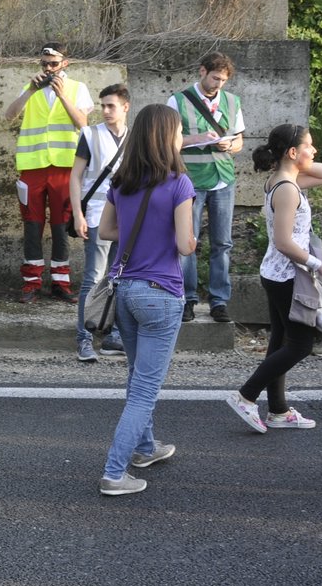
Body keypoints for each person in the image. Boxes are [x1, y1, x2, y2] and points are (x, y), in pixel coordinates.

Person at [96, 105, 197, 496]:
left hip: (125, 291)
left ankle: (145, 447)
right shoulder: (179, 183)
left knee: (137, 377)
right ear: (166, 137)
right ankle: (114, 472)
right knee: (145, 389)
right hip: (161, 295)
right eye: (177, 132)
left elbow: (105, 230)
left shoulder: (122, 181)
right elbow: (184, 246)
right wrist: (187, 236)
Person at [223, 124, 322, 433]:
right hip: (288, 275)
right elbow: (285, 242)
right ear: (292, 152)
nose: (314, 151)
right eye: (309, 146)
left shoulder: (284, 179)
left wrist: (304, 158)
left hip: (276, 273)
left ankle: (278, 410)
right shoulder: (287, 189)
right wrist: (320, 266)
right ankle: (246, 395)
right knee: (300, 345)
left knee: (280, 341)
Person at [4, 44, 92, 303]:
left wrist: (63, 96)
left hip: (64, 166)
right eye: (44, 64)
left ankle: (60, 282)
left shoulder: (77, 88)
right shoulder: (31, 88)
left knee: (61, 224)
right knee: (32, 224)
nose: (48, 69)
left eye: (53, 63)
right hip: (32, 166)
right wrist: (30, 90)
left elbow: (83, 124)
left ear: (65, 63)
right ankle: (31, 282)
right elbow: (10, 116)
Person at [170, 52, 245, 323]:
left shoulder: (233, 101)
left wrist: (230, 145)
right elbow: (170, 142)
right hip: (190, 179)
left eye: (223, 80)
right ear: (202, 71)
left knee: (222, 243)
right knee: (187, 242)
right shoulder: (178, 100)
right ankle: (187, 298)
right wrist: (197, 138)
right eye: (215, 78)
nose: (218, 84)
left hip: (223, 177)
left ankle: (219, 301)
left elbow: (239, 142)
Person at [69, 83, 131, 361]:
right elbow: (75, 177)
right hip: (95, 211)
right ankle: (84, 337)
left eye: (111, 106)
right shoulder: (90, 134)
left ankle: (113, 335)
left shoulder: (135, 138)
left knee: (120, 276)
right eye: (102, 105)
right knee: (93, 278)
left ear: (125, 107)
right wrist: (78, 214)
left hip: (127, 216)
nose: (105, 110)